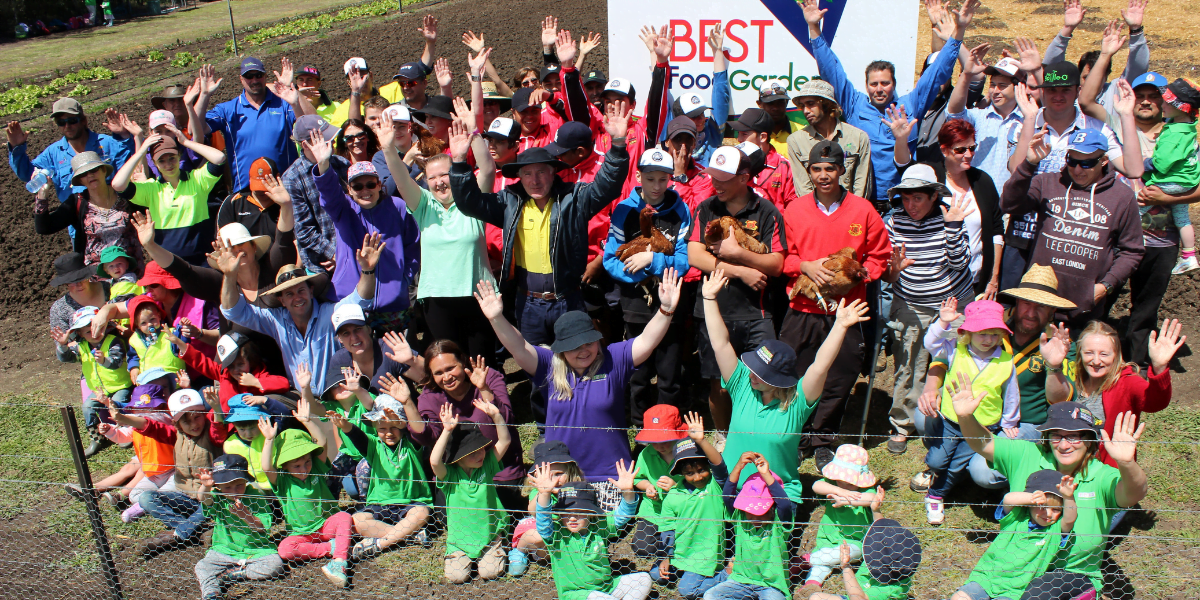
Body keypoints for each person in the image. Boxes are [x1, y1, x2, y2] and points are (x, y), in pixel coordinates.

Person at [452, 103, 632, 369]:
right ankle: (545, 411)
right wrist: (458, 162)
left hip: (568, 299)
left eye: (541, 172)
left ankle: (578, 410)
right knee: (537, 369)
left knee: (578, 366)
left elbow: (607, 186)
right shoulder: (509, 201)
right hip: (528, 303)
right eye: (527, 173)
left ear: (552, 172)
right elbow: (469, 203)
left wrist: (617, 143)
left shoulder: (574, 197)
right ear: (519, 177)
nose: (534, 180)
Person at [474, 268, 680, 488]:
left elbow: (646, 341)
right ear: (561, 350)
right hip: (560, 476)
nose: (583, 351)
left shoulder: (613, 360)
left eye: (589, 343)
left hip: (612, 476)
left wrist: (666, 310)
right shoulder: (548, 365)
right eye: (574, 347)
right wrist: (496, 318)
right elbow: (519, 346)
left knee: (611, 524)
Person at [704, 268, 869, 504]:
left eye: (761, 373)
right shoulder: (741, 384)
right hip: (729, 484)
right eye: (753, 368)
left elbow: (820, 366)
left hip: (777, 492)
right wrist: (710, 298)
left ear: (779, 378)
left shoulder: (798, 402)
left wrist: (840, 326)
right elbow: (720, 344)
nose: (752, 374)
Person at [958, 399, 1149, 594]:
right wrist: (965, 417)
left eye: (1074, 437)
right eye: (1057, 436)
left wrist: (1127, 463)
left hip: (1070, 574)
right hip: (1016, 569)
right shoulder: (1027, 454)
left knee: (1038, 593)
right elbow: (985, 444)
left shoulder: (1101, 475)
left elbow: (1135, 493)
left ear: (1090, 441)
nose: (1064, 445)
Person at [914, 265, 1077, 491]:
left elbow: (1061, 401)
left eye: (1041, 306)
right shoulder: (989, 320)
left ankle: (974, 471)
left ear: (1052, 311)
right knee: (923, 413)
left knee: (982, 472)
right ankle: (941, 464)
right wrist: (930, 388)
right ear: (1017, 302)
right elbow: (944, 356)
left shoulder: (1061, 343)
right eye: (1027, 303)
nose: (1031, 312)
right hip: (972, 406)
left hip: (1022, 421)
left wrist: (1054, 366)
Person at [800, 0, 975, 209]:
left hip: (903, 203)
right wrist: (813, 28)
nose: (879, 89)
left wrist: (959, 31)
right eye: (874, 84)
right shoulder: (854, 104)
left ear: (894, 84)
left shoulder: (910, 105)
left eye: (885, 83)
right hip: (862, 202)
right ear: (866, 86)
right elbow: (831, 70)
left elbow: (937, 73)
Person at [780, 141, 890, 466]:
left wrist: (859, 277)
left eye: (830, 168)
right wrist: (804, 266)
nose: (824, 175)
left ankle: (823, 438)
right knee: (797, 373)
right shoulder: (795, 210)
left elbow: (879, 255)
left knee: (840, 374)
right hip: (804, 308)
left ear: (842, 170)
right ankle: (797, 435)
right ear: (809, 172)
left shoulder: (862, 210)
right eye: (817, 169)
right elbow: (783, 255)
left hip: (847, 310)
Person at [1002, 64, 1143, 292]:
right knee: (1014, 312)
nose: (1058, 96)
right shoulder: (1022, 124)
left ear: (1078, 90)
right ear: (1042, 91)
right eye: (1052, 90)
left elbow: (1134, 169)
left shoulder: (1096, 129)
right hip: (1023, 231)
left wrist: (1126, 115)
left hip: (1068, 239)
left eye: (1066, 90)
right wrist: (1030, 118)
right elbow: (1016, 170)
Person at [1000, 128, 1145, 329]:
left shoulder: (1122, 197)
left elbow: (1133, 251)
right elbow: (1010, 204)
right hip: (1037, 304)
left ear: (1103, 161)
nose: (1078, 169)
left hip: (1082, 311)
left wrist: (1105, 287)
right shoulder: (1047, 182)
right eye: (1072, 161)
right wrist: (1029, 164)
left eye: (1087, 163)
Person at [687, 146, 787, 433]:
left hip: (757, 314)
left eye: (723, 178)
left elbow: (777, 263)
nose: (714, 183)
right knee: (718, 382)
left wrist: (739, 254)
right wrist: (741, 271)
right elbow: (695, 256)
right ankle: (723, 436)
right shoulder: (705, 208)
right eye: (712, 176)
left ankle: (757, 435)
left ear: (744, 178)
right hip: (714, 311)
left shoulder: (766, 211)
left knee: (763, 380)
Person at [217, 229, 381, 396]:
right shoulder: (276, 320)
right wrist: (229, 276)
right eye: (289, 294)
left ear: (311, 291)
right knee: (271, 402)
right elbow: (233, 312)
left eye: (301, 290)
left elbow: (361, 300)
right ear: (281, 301)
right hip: (299, 398)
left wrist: (368, 271)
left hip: (337, 396)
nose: (297, 298)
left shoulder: (330, 313)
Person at [386, 117, 497, 358]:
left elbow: (488, 169)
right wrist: (387, 149)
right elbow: (401, 180)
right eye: (432, 177)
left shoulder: (473, 201)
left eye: (444, 175)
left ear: (455, 175)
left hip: (478, 296)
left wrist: (474, 133)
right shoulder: (423, 204)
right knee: (450, 365)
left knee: (482, 361)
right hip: (437, 300)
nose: (438, 182)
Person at [602, 149, 691, 419]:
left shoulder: (680, 211)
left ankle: (669, 427)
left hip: (669, 301)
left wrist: (653, 261)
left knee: (669, 373)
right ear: (638, 176)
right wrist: (637, 272)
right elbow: (610, 260)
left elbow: (684, 261)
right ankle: (640, 430)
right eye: (650, 179)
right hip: (635, 305)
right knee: (637, 374)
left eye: (662, 180)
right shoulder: (625, 210)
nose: (656, 186)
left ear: (670, 179)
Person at [918, 299, 1020, 525]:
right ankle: (933, 472)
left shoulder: (1005, 361)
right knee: (937, 460)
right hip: (950, 421)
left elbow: (1010, 393)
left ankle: (935, 495)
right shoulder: (954, 349)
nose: (989, 340)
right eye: (982, 333)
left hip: (982, 426)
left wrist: (1009, 422)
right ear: (968, 332)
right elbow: (930, 343)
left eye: (995, 334)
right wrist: (943, 322)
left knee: (955, 466)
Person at [308, 132, 420, 331]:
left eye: (370, 184)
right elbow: (329, 195)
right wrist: (324, 164)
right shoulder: (344, 209)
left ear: (379, 184)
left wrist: (404, 279)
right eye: (357, 186)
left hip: (392, 305)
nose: (364, 190)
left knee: (395, 360)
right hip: (352, 301)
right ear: (349, 190)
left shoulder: (398, 207)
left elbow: (413, 246)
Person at [893, 117, 1004, 299]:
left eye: (972, 148)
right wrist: (901, 139)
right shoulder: (932, 176)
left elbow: (996, 231)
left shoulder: (982, 181)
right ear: (944, 150)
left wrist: (994, 277)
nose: (968, 154)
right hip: (936, 283)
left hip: (974, 281)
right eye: (960, 149)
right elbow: (905, 167)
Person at [410, 344, 525, 511]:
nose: (447, 377)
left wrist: (483, 388)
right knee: (449, 515)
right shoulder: (430, 396)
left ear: (463, 363)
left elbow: (506, 420)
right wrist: (408, 403)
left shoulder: (487, 376)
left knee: (499, 513)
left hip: (497, 468)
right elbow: (427, 438)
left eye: (451, 368)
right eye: (439, 373)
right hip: (457, 475)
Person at [257, 401, 354, 587]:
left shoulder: (316, 468)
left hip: (326, 525)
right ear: (284, 466)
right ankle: (332, 548)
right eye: (296, 466)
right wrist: (269, 440)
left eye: (307, 462)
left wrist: (308, 421)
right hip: (301, 533)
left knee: (343, 516)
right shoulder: (282, 480)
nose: (304, 469)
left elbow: (322, 442)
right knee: (285, 549)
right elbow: (266, 467)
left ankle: (339, 562)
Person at [329, 391, 434, 560]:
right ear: (375, 429)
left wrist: (403, 422)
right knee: (356, 521)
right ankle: (409, 536)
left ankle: (379, 544)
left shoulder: (411, 445)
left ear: (402, 425)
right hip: (380, 505)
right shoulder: (374, 446)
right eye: (382, 429)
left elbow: (416, 429)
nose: (389, 433)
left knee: (422, 512)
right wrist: (344, 426)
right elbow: (357, 436)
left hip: (410, 504)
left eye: (394, 427)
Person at [532, 461, 651, 600]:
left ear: (590, 513)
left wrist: (628, 491)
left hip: (608, 588)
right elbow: (542, 523)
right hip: (576, 594)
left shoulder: (599, 525)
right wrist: (544, 494)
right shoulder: (556, 533)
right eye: (566, 514)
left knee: (644, 579)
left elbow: (623, 515)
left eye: (579, 512)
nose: (572, 518)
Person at [952, 469, 1078, 600]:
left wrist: (1068, 497)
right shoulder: (1015, 518)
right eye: (1042, 506)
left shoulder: (1054, 531)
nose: (1048, 514)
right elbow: (1008, 499)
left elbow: (1070, 519)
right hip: (987, 577)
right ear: (1030, 505)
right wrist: (1031, 497)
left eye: (1056, 509)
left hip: (1015, 590)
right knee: (959, 597)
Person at [1072, 319, 1181, 467]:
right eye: (1089, 353)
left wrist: (1159, 366)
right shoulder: (1073, 377)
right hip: (1069, 461)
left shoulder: (1126, 382)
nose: (1096, 361)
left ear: (1116, 355)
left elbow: (1156, 402)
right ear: (1080, 353)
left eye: (1104, 354)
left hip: (1106, 467)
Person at [131, 389, 227, 557]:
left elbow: (219, 432)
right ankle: (198, 531)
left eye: (197, 417)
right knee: (146, 498)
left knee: (210, 507)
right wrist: (121, 418)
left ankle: (175, 536)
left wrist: (216, 407)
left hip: (212, 500)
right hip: (185, 498)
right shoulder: (176, 436)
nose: (193, 424)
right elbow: (151, 427)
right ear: (177, 424)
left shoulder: (211, 434)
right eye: (186, 421)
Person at [194, 58, 312, 193]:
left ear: (265, 76)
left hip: (286, 186)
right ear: (241, 79)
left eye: (258, 75)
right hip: (246, 189)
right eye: (249, 76)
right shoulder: (228, 109)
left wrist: (292, 88)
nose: (254, 80)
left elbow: (310, 123)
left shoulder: (283, 104)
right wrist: (204, 95)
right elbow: (197, 128)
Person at [429, 397, 513, 583]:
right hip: (460, 541)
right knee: (457, 576)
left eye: (481, 449)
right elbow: (435, 461)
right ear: (457, 457)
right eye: (472, 453)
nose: (480, 454)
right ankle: (460, 554)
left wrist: (497, 416)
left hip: (488, 535)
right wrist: (447, 430)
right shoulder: (450, 476)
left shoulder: (487, 466)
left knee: (490, 572)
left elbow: (505, 441)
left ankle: (498, 542)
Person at [111, 130, 226, 264]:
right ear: (154, 162)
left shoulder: (197, 179)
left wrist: (186, 142)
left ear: (179, 156)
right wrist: (141, 151)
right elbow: (118, 184)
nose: (168, 164)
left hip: (203, 261)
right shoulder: (151, 189)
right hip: (168, 265)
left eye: (172, 158)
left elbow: (219, 158)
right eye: (162, 160)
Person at [649, 413, 729, 599]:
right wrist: (665, 557)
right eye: (690, 473)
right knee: (655, 575)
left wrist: (701, 441)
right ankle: (681, 570)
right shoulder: (673, 496)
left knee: (687, 591)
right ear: (680, 473)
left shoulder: (714, 486)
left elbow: (719, 465)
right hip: (680, 553)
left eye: (701, 470)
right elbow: (668, 531)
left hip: (704, 557)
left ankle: (727, 575)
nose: (697, 477)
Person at [193, 454, 286, 600]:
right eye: (227, 487)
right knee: (202, 567)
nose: (234, 491)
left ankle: (233, 574)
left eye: (239, 485)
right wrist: (205, 486)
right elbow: (204, 498)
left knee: (275, 565)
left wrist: (246, 515)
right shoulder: (218, 496)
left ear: (245, 480)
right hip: (224, 550)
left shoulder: (256, 496)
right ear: (218, 486)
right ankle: (212, 594)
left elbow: (262, 527)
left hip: (255, 551)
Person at [7, 98, 135, 202]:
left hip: (113, 217)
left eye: (72, 120)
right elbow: (27, 174)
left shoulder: (106, 144)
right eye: (61, 122)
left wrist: (123, 136)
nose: (67, 126)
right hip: (77, 224)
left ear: (84, 121)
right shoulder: (53, 153)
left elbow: (134, 164)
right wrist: (17, 149)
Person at [797, 446, 885, 597]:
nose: (844, 484)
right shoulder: (833, 485)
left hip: (855, 542)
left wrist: (845, 500)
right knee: (823, 563)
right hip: (828, 539)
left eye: (850, 483)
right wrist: (840, 491)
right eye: (841, 481)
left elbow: (870, 499)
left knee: (830, 557)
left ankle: (806, 560)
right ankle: (811, 585)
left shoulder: (866, 490)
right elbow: (816, 485)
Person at [705, 452, 793, 600]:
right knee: (711, 595)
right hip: (740, 581)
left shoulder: (777, 525)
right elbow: (727, 496)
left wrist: (765, 474)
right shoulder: (741, 520)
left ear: (772, 509)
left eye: (761, 512)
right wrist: (738, 467)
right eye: (749, 512)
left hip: (771, 585)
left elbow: (784, 504)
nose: (754, 517)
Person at [33, 151, 142, 267]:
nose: (90, 175)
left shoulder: (125, 194)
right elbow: (44, 228)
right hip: (96, 276)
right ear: (80, 180)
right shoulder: (77, 202)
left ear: (104, 171)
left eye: (94, 170)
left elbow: (152, 208)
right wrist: (42, 195)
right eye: (84, 174)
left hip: (131, 271)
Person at [1043, 0, 1149, 117]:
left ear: (1106, 76)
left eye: (1097, 77)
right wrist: (1067, 30)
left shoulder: (1116, 92)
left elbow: (1138, 68)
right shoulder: (1068, 94)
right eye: (1085, 78)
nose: (1090, 82)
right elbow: (1051, 69)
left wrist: (1136, 30)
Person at [1140, 78, 1200, 274]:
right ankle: (1189, 256)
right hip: (1186, 182)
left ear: (1179, 107)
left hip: (1170, 182)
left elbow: (1162, 164)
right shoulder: (1188, 126)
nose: (1162, 104)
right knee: (1182, 217)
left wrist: (1145, 165)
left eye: (1166, 101)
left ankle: (1134, 240)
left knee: (1137, 207)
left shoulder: (1173, 133)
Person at [59, 306, 134, 456]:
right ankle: (97, 438)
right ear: (80, 334)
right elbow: (66, 358)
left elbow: (116, 362)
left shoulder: (114, 341)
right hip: (99, 390)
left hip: (120, 386)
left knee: (117, 405)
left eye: (98, 328)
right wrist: (62, 345)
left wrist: (104, 360)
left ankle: (124, 433)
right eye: (88, 331)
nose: (94, 334)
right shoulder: (82, 347)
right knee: (87, 407)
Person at [947, 53, 1026, 194]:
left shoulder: (1029, 120)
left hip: (1011, 202)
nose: (995, 91)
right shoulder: (978, 116)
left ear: (1019, 87)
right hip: (977, 200)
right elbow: (954, 113)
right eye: (992, 85)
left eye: (1002, 86)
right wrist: (966, 75)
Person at [282, 115, 350, 274]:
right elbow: (304, 231)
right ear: (305, 144)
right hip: (321, 266)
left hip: (352, 250)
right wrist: (335, 253)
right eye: (323, 139)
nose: (331, 142)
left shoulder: (341, 163)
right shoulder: (292, 178)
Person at [659, 23, 731, 169]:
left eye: (702, 113)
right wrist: (659, 59)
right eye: (694, 116)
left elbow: (721, 96)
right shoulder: (669, 132)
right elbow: (660, 95)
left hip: (707, 187)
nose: (701, 119)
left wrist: (717, 52)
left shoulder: (713, 131)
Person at [787, 80, 873, 199]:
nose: (806, 111)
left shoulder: (858, 137)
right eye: (803, 106)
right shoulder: (796, 141)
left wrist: (852, 212)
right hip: (815, 213)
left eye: (811, 104)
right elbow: (803, 188)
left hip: (851, 212)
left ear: (826, 104)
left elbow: (861, 184)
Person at [808, 519, 923, 600]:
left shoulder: (891, 590)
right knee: (815, 597)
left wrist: (846, 567)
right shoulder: (894, 565)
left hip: (857, 597)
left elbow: (858, 598)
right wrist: (876, 509)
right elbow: (883, 532)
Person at [629, 404, 688, 559]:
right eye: (655, 441)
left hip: (682, 510)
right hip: (654, 510)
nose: (660, 446)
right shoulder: (646, 454)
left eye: (666, 440)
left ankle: (672, 552)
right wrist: (648, 486)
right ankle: (667, 552)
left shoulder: (687, 452)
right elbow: (637, 478)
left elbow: (700, 483)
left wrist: (676, 487)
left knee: (683, 543)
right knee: (643, 548)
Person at [730, 108, 798, 211]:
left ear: (763, 137)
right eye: (738, 133)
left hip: (773, 225)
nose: (739, 139)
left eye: (744, 134)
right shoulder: (732, 163)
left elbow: (792, 207)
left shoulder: (785, 167)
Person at [377, 14, 440, 109]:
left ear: (424, 83)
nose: (406, 87)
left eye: (411, 83)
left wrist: (430, 43)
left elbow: (424, 67)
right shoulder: (395, 112)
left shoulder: (435, 108)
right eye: (402, 83)